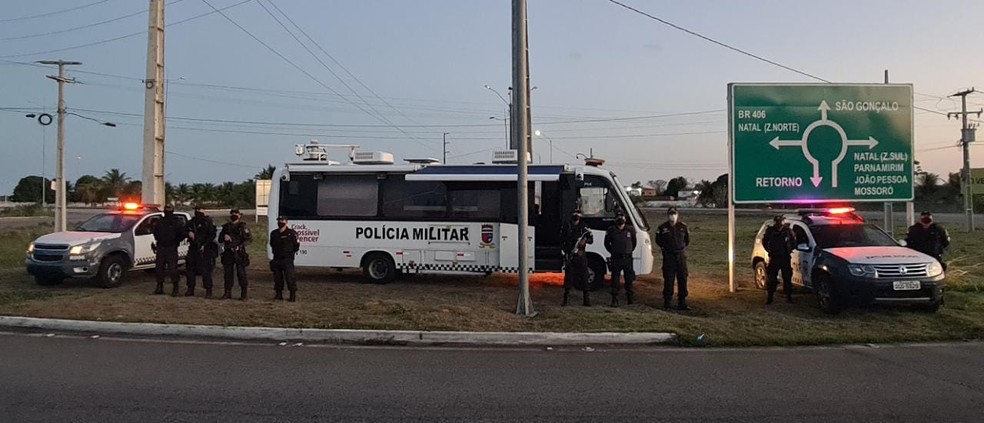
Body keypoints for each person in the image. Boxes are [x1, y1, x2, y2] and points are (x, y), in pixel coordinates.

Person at [655, 207, 691, 310]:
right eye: (670, 214)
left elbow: (687, 241)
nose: (672, 216)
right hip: (669, 256)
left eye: (674, 214)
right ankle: (667, 302)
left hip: (680, 256)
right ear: (668, 215)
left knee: (682, 279)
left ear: (677, 214)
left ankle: (682, 302)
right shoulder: (662, 228)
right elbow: (658, 241)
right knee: (669, 280)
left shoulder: (683, 227)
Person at [152, 204, 186, 296]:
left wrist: (175, 241)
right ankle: (159, 287)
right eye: (166, 209)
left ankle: (175, 289)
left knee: (173, 269)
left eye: (169, 209)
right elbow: (155, 232)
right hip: (161, 247)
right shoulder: (160, 221)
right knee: (159, 268)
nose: (167, 211)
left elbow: (182, 234)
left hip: (171, 247)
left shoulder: (177, 222)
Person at [560, 210, 593, 307]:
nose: (576, 216)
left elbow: (591, 239)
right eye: (575, 214)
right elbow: (562, 239)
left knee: (584, 277)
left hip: (581, 255)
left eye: (578, 215)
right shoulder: (567, 225)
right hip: (570, 255)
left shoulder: (584, 226)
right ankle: (565, 300)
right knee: (568, 278)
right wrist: (565, 250)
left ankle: (586, 300)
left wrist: (585, 241)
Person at [604, 211, 637, 307]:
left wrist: (628, 251)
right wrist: (613, 251)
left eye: (622, 217)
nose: (620, 219)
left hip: (627, 258)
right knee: (615, 280)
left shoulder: (630, 229)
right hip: (616, 258)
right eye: (618, 217)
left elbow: (634, 242)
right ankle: (614, 299)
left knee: (629, 279)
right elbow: (606, 243)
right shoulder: (611, 230)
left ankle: (630, 299)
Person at [185, 205, 218, 298]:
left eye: (199, 209)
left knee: (205, 270)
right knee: (190, 270)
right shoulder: (191, 222)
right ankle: (190, 289)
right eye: (196, 210)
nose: (197, 211)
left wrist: (204, 245)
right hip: (193, 248)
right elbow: (184, 231)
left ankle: (208, 290)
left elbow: (212, 235)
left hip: (205, 249)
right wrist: (188, 233)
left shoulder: (207, 222)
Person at [762, 214, 796, 304]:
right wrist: (769, 251)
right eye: (777, 221)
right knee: (772, 279)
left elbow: (793, 241)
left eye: (780, 221)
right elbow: (764, 242)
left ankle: (788, 297)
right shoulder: (770, 231)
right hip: (774, 257)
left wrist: (789, 249)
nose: (779, 223)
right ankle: (770, 297)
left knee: (787, 278)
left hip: (785, 257)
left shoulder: (787, 231)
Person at [219, 209, 251, 300]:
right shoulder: (226, 227)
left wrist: (240, 246)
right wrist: (224, 237)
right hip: (228, 252)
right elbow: (220, 240)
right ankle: (227, 293)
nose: (234, 215)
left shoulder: (243, 227)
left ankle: (243, 294)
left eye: (236, 214)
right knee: (228, 274)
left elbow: (248, 239)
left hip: (239, 252)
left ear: (239, 215)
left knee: (241, 274)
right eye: (232, 213)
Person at [269, 216, 300, 302]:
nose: (280, 222)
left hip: (287, 259)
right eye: (279, 220)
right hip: (277, 258)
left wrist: (288, 253)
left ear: (286, 222)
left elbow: (296, 246)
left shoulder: (292, 233)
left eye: (282, 220)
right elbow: (272, 244)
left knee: (290, 277)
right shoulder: (274, 233)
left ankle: (292, 296)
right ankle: (278, 295)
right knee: (277, 278)